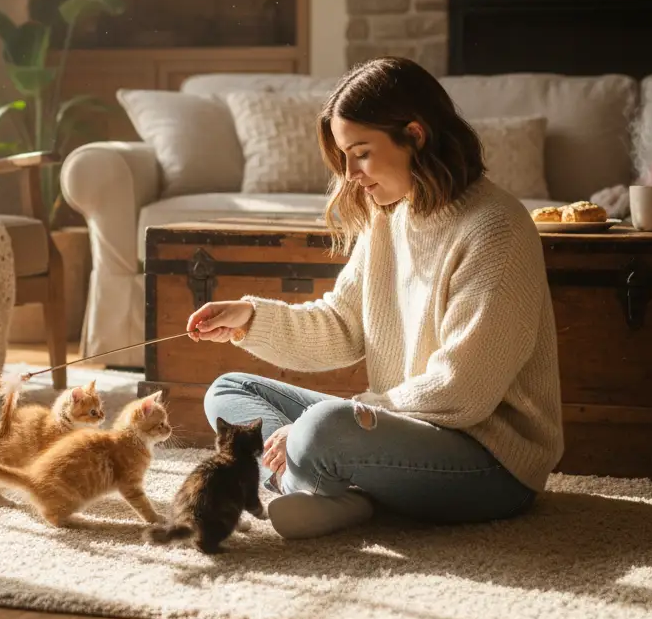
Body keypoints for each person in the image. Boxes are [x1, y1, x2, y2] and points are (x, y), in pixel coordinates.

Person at [187, 56, 563, 540]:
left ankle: (316, 484)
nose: (350, 174)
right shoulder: (391, 214)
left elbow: (462, 391)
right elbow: (343, 327)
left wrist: (344, 417)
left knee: (325, 427)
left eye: (360, 153)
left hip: (489, 464)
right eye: (344, 157)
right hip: (401, 430)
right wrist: (249, 319)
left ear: (415, 135)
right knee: (230, 391)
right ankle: (335, 491)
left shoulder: (497, 229)